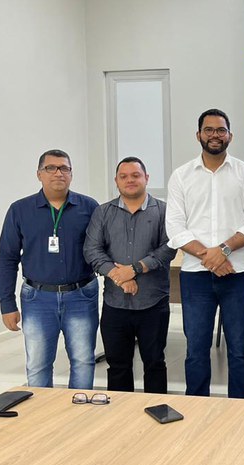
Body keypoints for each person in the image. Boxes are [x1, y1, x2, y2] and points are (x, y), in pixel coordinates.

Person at [166, 108, 244, 397]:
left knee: (240, 348)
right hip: (195, 277)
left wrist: (222, 250)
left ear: (230, 136)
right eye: (208, 130)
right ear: (198, 135)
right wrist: (208, 257)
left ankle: (240, 410)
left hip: (237, 275)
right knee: (196, 349)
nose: (215, 135)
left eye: (220, 130)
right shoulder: (182, 176)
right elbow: (174, 225)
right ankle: (198, 408)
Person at [0, 149, 99, 389]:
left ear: (71, 174)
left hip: (81, 295)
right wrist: (6, 303)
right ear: (39, 174)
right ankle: (40, 418)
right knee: (38, 364)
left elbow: (101, 249)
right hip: (37, 297)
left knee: (83, 361)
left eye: (64, 168)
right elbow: (7, 258)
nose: (58, 173)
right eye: (51, 168)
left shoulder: (89, 207)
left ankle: (80, 416)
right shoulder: (20, 210)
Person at [84, 156, 177, 394]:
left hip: (153, 303)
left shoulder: (165, 212)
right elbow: (92, 249)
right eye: (123, 176)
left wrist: (135, 269)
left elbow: (168, 248)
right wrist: (118, 275)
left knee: (155, 363)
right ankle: (120, 418)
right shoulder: (103, 212)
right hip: (115, 303)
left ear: (146, 178)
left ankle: (156, 412)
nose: (130, 180)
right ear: (116, 181)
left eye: (135, 175)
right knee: (118, 366)